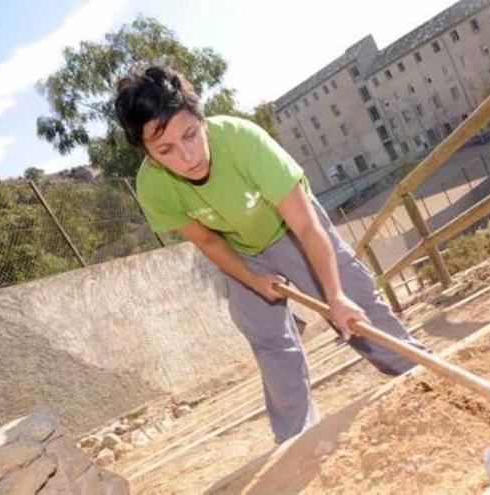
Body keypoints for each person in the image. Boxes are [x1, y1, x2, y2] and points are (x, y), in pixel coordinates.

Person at [115, 66, 423, 444]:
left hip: (291, 230)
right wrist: (254, 280)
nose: (188, 156)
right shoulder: (153, 187)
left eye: (191, 135)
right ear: (146, 152)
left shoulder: (243, 141)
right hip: (240, 250)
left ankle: (418, 372)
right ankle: (296, 438)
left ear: (201, 120)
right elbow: (209, 243)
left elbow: (307, 228)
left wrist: (335, 296)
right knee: (268, 341)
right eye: (166, 150)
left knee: (354, 302)